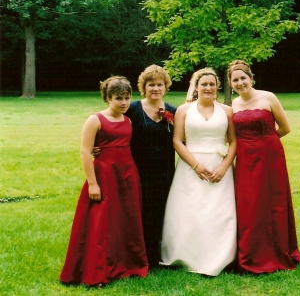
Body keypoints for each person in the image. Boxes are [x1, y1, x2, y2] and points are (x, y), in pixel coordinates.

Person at [60, 76, 148, 286]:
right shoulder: (95, 120)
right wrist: (92, 183)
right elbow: (84, 151)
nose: (124, 102)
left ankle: (125, 264)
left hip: (126, 175)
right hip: (104, 176)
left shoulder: (128, 121)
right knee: (101, 222)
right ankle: (97, 269)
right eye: (119, 98)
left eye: (127, 98)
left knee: (124, 220)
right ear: (108, 98)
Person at [227, 60, 300, 274]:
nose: (240, 83)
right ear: (231, 84)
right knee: (249, 203)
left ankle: (277, 250)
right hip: (245, 159)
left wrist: (265, 142)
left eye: (243, 78)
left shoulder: (268, 97)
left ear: (251, 78)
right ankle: (251, 252)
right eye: (235, 80)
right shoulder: (232, 105)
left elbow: (285, 128)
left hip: (270, 157)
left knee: (273, 201)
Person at [160, 68, 237, 276]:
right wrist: (195, 165)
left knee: (219, 212)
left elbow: (234, 141)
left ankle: (221, 256)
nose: (208, 88)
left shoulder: (227, 111)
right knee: (189, 209)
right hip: (190, 165)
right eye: (204, 84)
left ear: (217, 87)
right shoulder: (184, 110)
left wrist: (224, 166)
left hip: (219, 166)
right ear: (196, 87)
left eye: (212, 84)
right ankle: (186, 254)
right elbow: (177, 141)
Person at [124, 65, 177, 268]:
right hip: (138, 170)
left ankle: (156, 255)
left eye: (160, 84)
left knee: (161, 212)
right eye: (151, 85)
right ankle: (138, 254)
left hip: (164, 172)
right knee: (140, 212)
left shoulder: (173, 111)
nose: (156, 88)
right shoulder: (133, 109)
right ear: (143, 87)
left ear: (166, 87)